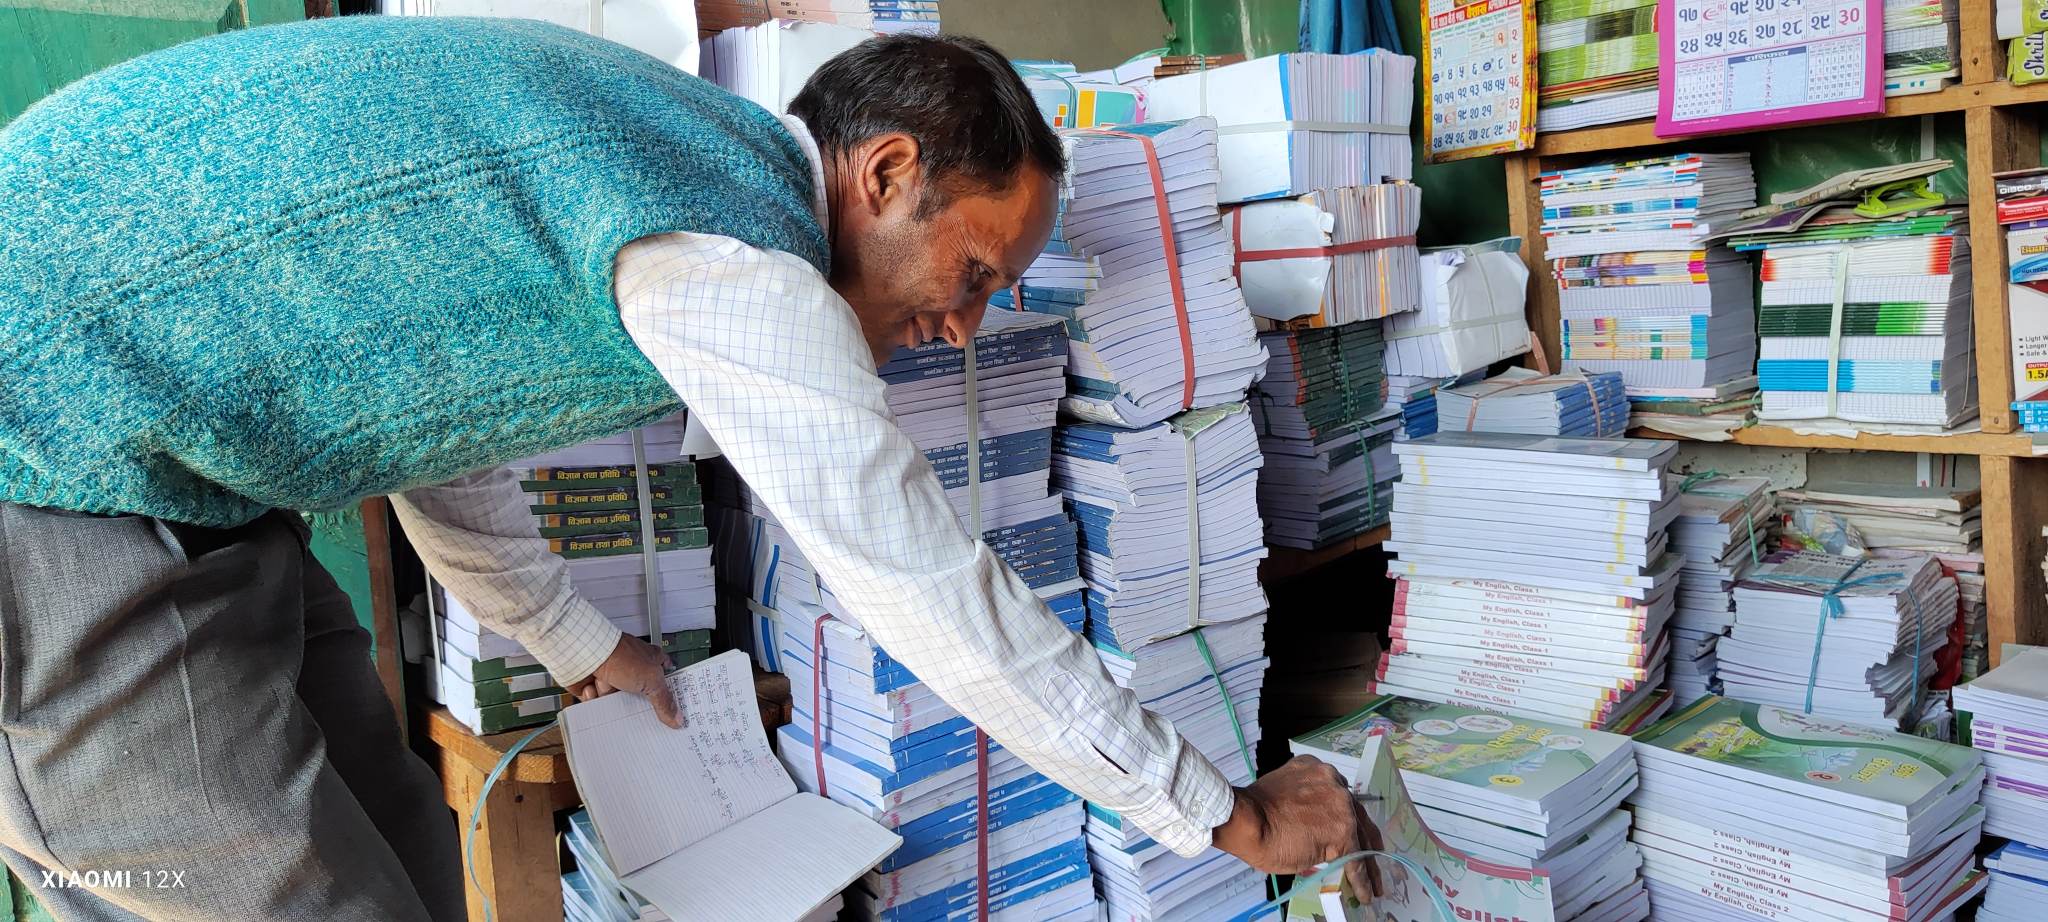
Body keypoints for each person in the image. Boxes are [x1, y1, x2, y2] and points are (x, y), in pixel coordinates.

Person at [0, 16, 1380, 921]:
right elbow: (921, 582)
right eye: (972, 272)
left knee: (405, 844)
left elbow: (433, 421)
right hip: (47, 465)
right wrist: (1224, 812)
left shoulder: (675, 166)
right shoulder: (735, 253)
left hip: (186, 478)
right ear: (885, 172)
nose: (963, 327)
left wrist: (586, 647)